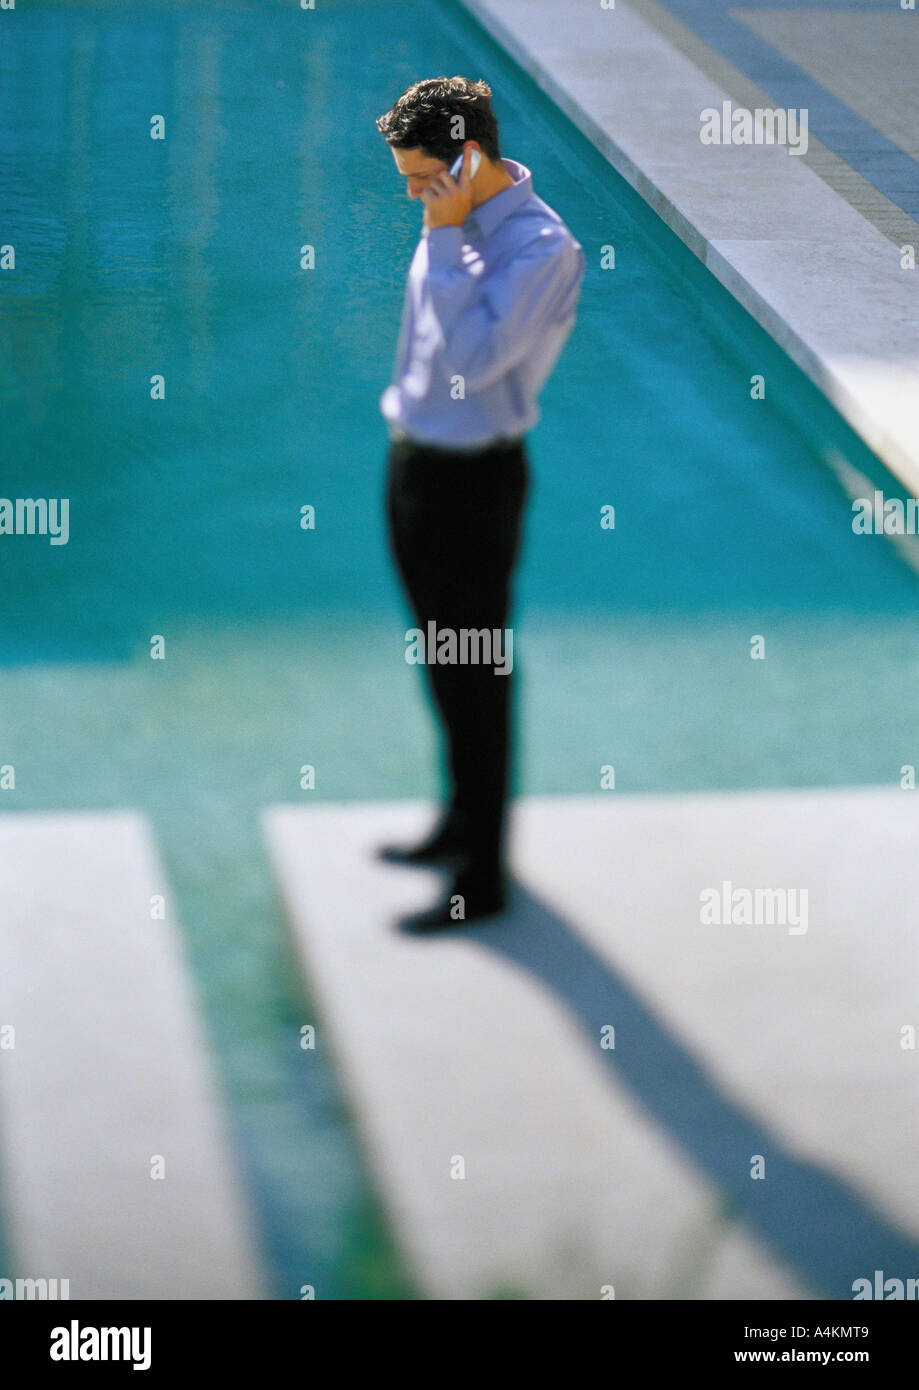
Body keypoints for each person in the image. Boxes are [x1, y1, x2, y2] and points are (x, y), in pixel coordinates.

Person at [375, 76, 585, 930]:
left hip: (472, 484)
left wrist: (443, 229)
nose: (414, 195)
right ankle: (458, 822)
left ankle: (484, 879)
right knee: (439, 659)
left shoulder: (539, 251)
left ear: (464, 161)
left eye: (421, 177)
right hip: (416, 467)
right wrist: (443, 226)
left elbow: (467, 359)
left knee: (477, 675)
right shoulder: (447, 222)